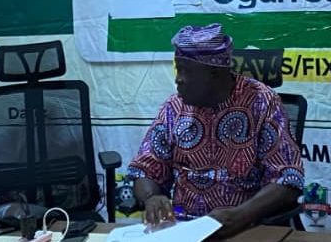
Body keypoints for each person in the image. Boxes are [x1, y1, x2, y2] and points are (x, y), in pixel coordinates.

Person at [127, 24, 304, 238]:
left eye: (185, 70)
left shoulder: (262, 102)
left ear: (215, 72)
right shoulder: (174, 107)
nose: (178, 79)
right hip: (184, 228)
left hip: (246, 227)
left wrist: (239, 216)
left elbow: (287, 179)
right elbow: (145, 169)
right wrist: (151, 197)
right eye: (177, 69)